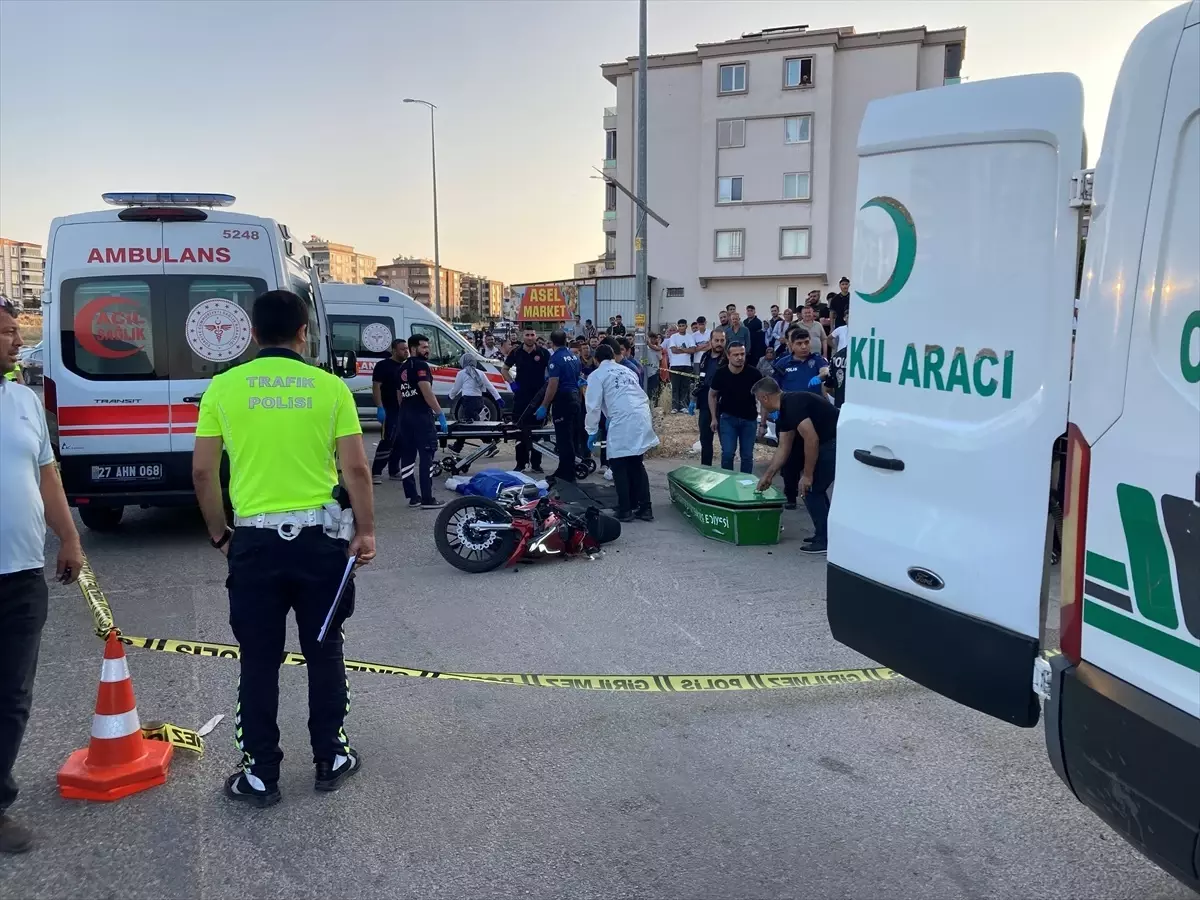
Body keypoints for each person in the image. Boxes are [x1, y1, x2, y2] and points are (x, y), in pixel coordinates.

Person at [191, 289, 376, 807]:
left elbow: (203, 472)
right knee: (325, 649)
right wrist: (365, 531)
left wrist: (220, 533)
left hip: (254, 542)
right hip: (321, 543)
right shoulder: (330, 387)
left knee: (258, 659)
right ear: (303, 333)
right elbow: (356, 469)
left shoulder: (223, 388)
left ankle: (259, 774)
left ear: (252, 334)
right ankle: (331, 756)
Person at [0, 296, 83, 851]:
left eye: (14, 330)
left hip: (21, 574)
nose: (16, 340)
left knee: (12, 696)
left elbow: (47, 476)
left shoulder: (24, 401)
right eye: (6, 332)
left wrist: (70, 538)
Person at [754, 377, 839, 553]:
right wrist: (768, 476)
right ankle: (826, 534)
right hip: (828, 442)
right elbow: (783, 447)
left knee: (811, 489)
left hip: (833, 442)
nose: (761, 405)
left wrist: (807, 475)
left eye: (759, 400)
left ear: (764, 397)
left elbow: (811, 439)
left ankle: (825, 540)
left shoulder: (793, 405)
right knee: (814, 490)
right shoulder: (785, 410)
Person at [584, 343, 658, 521]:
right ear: (613, 356)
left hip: (622, 418)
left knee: (618, 464)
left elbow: (593, 406)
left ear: (596, 360)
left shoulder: (597, 375)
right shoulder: (627, 370)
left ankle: (625, 509)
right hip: (641, 415)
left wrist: (591, 430)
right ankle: (644, 507)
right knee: (636, 462)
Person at [397, 335, 448, 509]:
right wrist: (439, 413)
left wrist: (405, 412)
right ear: (413, 349)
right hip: (421, 416)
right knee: (427, 455)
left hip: (405, 416)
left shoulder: (402, 368)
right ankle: (427, 498)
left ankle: (413, 497)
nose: (427, 350)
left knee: (408, 457)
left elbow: (399, 396)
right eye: (424, 347)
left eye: (428, 347)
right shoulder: (421, 366)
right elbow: (427, 392)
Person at [536, 330, 582, 484]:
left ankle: (567, 474)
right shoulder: (574, 356)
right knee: (571, 437)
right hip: (575, 398)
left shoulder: (555, 359)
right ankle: (565, 469)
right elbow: (577, 377)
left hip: (563, 400)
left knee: (564, 439)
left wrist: (544, 406)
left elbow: (552, 385)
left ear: (551, 342)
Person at [708, 341, 759, 473]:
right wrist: (713, 418)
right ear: (728, 356)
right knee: (727, 454)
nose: (740, 357)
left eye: (742, 354)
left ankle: (746, 482)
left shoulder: (754, 373)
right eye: (736, 355)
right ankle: (727, 481)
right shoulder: (721, 373)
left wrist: (763, 422)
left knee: (747, 456)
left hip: (749, 419)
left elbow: (763, 396)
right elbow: (712, 395)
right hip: (728, 419)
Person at [505, 328, 549, 473]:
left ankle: (536, 464)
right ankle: (521, 464)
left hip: (539, 399)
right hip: (521, 398)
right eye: (527, 335)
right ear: (522, 336)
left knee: (537, 433)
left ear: (536, 336)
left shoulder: (543, 353)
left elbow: (553, 372)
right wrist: (512, 383)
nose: (530, 337)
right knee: (520, 432)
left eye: (532, 335)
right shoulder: (516, 352)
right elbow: (504, 370)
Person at [370, 338, 408, 485]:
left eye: (407, 349)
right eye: (402, 349)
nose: (406, 352)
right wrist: (380, 407)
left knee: (401, 441)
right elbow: (376, 387)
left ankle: (394, 470)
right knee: (388, 440)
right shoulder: (383, 366)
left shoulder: (406, 367)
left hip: (403, 409)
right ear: (394, 350)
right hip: (388, 408)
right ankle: (376, 472)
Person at [449, 352, 503, 453]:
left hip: (468, 401)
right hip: (479, 401)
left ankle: (489, 445)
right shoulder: (480, 373)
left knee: (466, 425)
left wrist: (450, 396)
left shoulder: (462, 373)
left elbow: (456, 388)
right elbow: (490, 386)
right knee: (473, 424)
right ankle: (489, 445)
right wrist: (498, 398)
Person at [693, 328, 726, 466]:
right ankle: (706, 470)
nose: (719, 343)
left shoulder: (728, 358)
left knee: (727, 445)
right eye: (716, 340)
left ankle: (726, 472)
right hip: (705, 403)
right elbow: (701, 379)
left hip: (724, 404)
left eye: (722, 340)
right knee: (705, 440)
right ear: (711, 341)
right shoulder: (705, 357)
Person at [773, 328, 828, 395]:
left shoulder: (817, 359)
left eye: (806, 342)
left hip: (813, 400)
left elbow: (825, 370)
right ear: (792, 345)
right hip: (790, 400)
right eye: (799, 343)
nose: (804, 346)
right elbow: (773, 386)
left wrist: (819, 377)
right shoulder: (782, 363)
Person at [663, 318, 697, 413]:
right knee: (675, 387)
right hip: (675, 365)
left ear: (686, 326)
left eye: (683, 326)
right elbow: (674, 350)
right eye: (680, 326)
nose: (681, 327)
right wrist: (686, 350)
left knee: (685, 386)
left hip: (686, 364)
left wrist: (681, 349)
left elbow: (693, 350)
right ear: (678, 327)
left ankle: (684, 406)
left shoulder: (689, 337)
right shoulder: (673, 337)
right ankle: (675, 407)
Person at [645, 331, 667, 407]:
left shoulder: (657, 349)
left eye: (654, 339)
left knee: (653, 390)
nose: (652, 340)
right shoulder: (644, 348)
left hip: (654, 372)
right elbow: (642, 359)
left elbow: (660, 359)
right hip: (646, 372)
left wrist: (657, 368)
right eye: (650, 338)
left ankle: (653, 405)